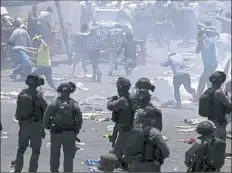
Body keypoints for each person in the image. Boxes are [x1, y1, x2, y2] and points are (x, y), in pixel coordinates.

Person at [114, 103, 170, 172]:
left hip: (134, 166)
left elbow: (117, 152)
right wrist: (158, 160)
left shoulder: (127, 132)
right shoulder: (154, 133)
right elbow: (166, 152)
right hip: (151, 167)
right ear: (151, 120)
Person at [43, 82, 83, 172]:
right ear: (70, 92)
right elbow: (79, 119)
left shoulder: (54, 103)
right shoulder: (73, 104)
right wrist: (75, 131)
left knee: (54, 156)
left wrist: (48, 127)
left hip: (56, 133)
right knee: (68, 157)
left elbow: (46, 117)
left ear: (59, 91)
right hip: (69, 134)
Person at [13, 74, 47, 172]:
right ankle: (32, 170)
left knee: (21, 149)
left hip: (23, 125)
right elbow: (45, 109)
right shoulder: (38, 95)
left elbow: (18, 111)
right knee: (35, 151)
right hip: (36, 126)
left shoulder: (22, 93)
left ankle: (17, 169)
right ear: (37, 84)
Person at [107, 77, 134, 170]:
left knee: (116, 153)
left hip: (123, 127)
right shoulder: (131, 98)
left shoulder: (122, 100)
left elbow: (110, 106)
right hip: (130, 127)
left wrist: (111, 99)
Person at [207, 71, 231, 141]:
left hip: (211, 119)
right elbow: (229, 105)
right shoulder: (219, 92)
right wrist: (228, 98)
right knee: (221, 142)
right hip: (219, 120)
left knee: (212, 139)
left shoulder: (208, 90)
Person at [196, 30, 218, 99]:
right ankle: (212, 97)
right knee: (208, 81)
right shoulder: (202, 42)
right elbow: (197, 51)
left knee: (202, 80)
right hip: (207, 66)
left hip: (212, 65)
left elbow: (207, 50)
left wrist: (203, 41)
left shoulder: (210, 41)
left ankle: (198, 97)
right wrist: (199, 42)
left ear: (205, 36)